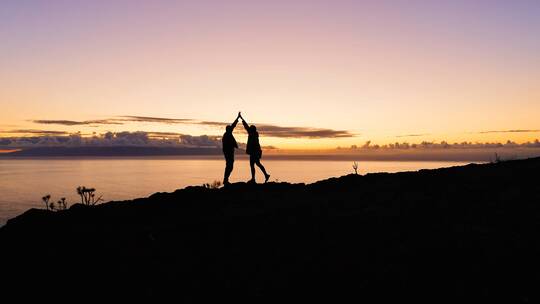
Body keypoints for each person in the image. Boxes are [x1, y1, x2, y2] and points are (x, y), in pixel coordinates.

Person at [239, 113, 270, 183]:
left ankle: (259, 177)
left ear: (252, 130)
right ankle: (261, 176)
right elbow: (247, 126)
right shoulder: (254, 134)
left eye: (250, 129)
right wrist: (241, 118)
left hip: (254, 152)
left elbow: (246, 126)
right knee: (255, 164)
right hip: (255, 152)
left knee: (254, 165)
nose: (249, 129)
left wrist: (241, 118)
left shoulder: (252, 134)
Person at [222, 112, 241, 185]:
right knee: (229, 166)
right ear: (228, 130)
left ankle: (226, 179)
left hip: (230, 153)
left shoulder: (228, 133)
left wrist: (237, 118)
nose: (231, 129)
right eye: (230, 129)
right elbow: (226, 147)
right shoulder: (226, 135)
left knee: (230, 166)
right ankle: (225, 180)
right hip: (228, 153)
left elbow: (233, 125)